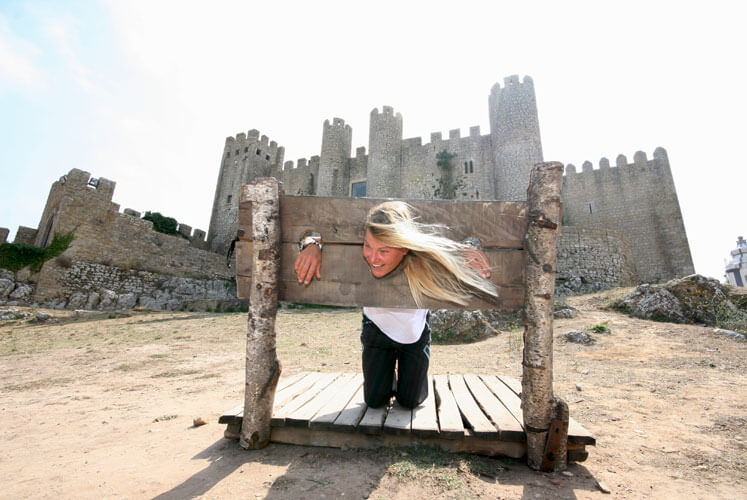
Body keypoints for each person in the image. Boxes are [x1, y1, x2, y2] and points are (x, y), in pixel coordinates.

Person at [294, 201, 496, 409]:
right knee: (375, 401)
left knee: (411, 401)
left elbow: (459, 242)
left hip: (414, 330)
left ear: (404, 248)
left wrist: (470, 246)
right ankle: (387, 373)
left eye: (384, 251)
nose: (373, 258)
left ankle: (406, 376)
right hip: (375, 326)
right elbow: (311, 233)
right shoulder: (365, 255)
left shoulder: (421, 257)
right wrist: (313, 245)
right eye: (367, 246)